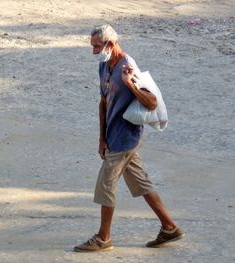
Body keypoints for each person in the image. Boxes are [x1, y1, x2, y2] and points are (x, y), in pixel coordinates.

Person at [74, 24, 185, 252]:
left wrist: (128, 85)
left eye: (97, 46)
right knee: (141, 182)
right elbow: (103, 102)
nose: (94, 51)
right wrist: (101, 138)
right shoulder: (105, 65)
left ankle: (103, 238)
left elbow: (151, 102)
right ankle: (169, 227)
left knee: (105, 186)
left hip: (125, 138)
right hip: (113, 137)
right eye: (92, 46)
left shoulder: (127, 67)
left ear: (110, 44)